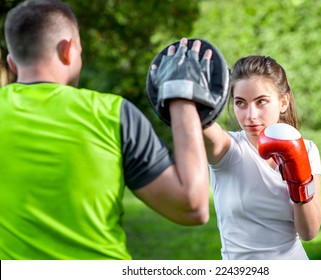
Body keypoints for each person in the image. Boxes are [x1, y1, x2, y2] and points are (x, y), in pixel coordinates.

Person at [0, 0, 212, 260]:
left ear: (12, 63)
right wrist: (182, 96)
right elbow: (192, 207)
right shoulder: (113, 113)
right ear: (68, 51)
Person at [203, 55, 321, 259]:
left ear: (283, 102)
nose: (251, 115)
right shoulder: (228, 149)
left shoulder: (307, 149)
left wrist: (299, 179)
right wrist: (190, 96)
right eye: (240, 103)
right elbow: (200, 126)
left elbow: (309, 232)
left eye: (261, 102)